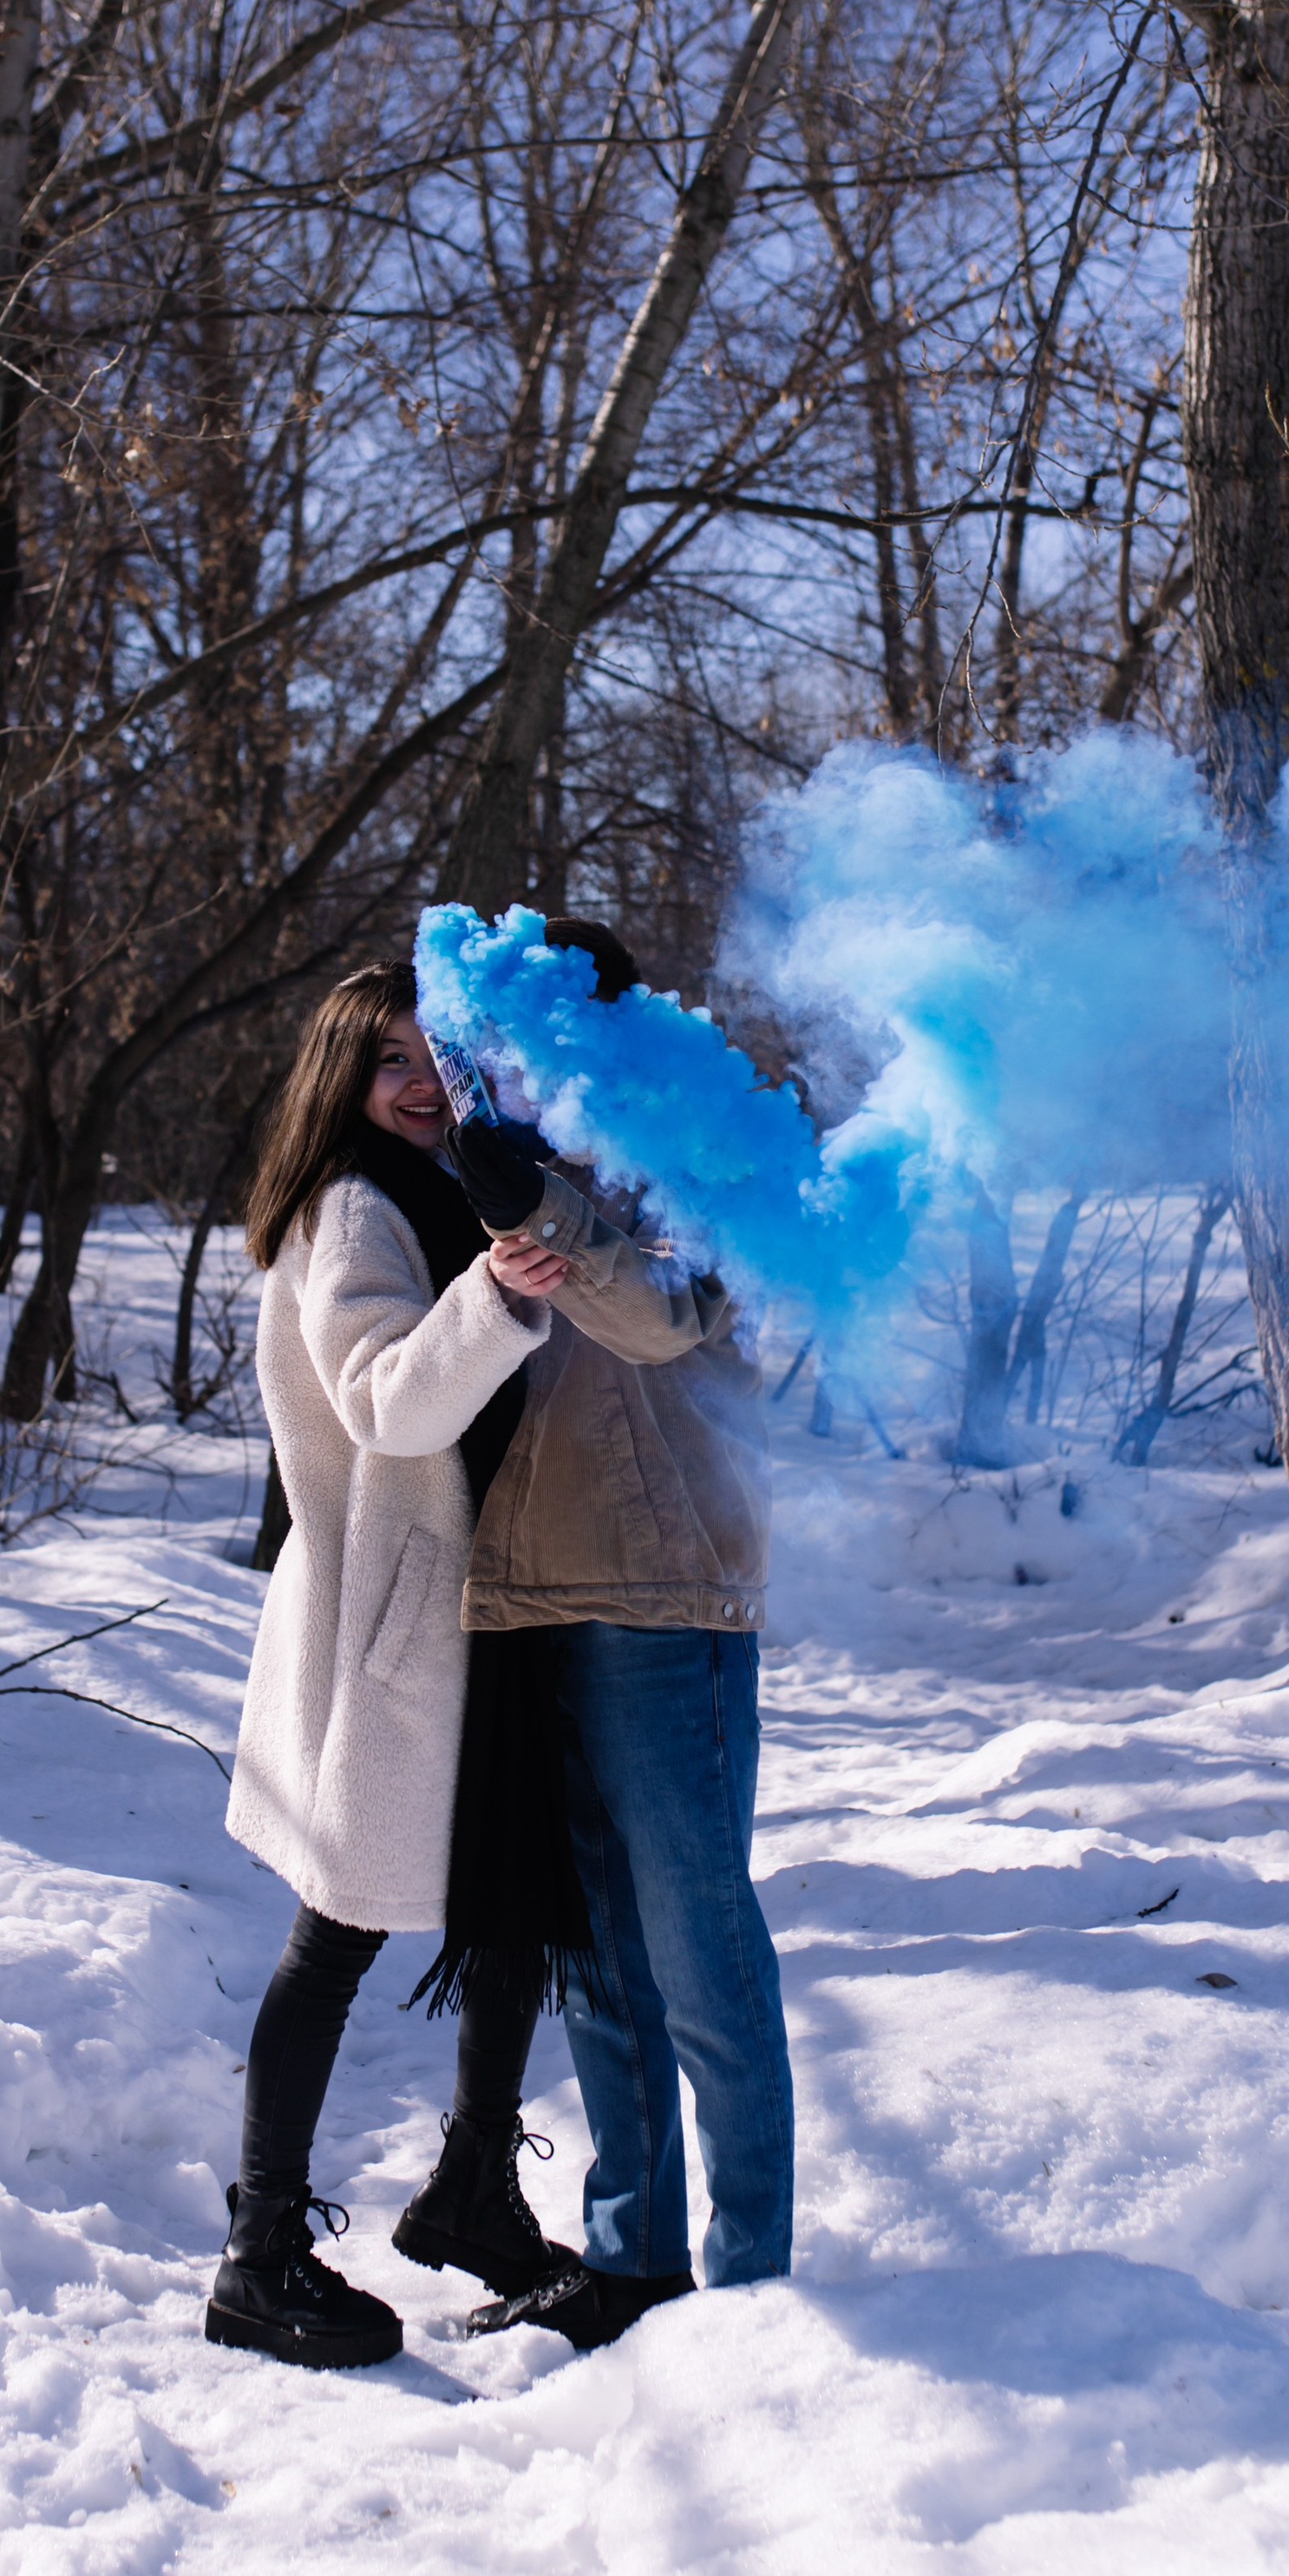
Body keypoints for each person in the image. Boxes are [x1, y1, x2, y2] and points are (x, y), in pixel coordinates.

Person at [207, 960, 586, 2370]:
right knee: (336, 1935)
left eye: (439, 1056)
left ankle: (475, 2189)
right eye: (389, 1062)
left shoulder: (441, 1183)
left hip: (474, 1612)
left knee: (511, 1909)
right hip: (393, 1623)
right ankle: (257, 2258)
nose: (421, 1081)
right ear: (340, 1084)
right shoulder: (356, 1203)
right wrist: (494, 1292)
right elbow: (387, 1401)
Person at [447, 917, 792, 2351]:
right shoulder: (510, 1156)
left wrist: (537, 1210)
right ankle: (628, 2261)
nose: (524, 1063)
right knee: (597, 1962)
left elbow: (661, 1317)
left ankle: (753, 2283)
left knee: (700, 1952)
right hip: (529, 1596)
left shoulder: (698, 1155)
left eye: (549, 1032)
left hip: (666, 1597)